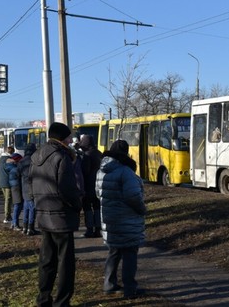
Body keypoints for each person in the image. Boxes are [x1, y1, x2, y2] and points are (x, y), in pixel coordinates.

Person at [29, 122, 83, 307]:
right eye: (68, 137)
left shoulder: (36, 155)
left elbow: (31, 184)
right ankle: (62, 301)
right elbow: (67, 189)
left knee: (46, 260)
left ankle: (43, 298)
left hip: (43, 214)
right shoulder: (62, 156)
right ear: (62, 138)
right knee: (66, 263)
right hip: (61, 216)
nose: (70, 140)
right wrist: (77, 205)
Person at [95, 139, 147, 299]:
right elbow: (133, 196)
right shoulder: (126, 171)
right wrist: (142, 209)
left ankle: (109, 284)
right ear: (126, 153)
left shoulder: (101, 171)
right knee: (130, 254)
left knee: (114, 252)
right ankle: (130, 289)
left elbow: (98, 194)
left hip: (109, 219)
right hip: (127, 220)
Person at [79, 134, 103, 238]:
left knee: (87, 208)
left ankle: (89, 229)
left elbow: (85, 171)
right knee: (97, 207)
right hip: (98, 184)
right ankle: (98, 229)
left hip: (88, 185)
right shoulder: (99, 153)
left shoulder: (87, 155)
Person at [18, 143, 37, 236]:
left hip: (24, 186)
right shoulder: (34, 161)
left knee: (26, 207)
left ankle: (24, 227)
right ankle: (31, 228)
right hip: (32, 186)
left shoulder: (21, 161)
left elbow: (18, 173)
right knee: (32, 208)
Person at [6, 152, 23, 231]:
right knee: (18, 205)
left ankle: (13, 223)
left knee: (17, 205)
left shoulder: (10, 167)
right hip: (16, 187)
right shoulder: (15, 169)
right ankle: (15, 224)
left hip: (14, 187)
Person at [0, 146, 15, 223]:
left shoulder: (1, 159)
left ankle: (8, 216)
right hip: (8, 182)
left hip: (2, 181)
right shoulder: (9, 160)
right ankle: (7, 216)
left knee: (6, 199)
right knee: (8, 200)